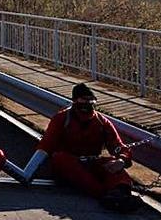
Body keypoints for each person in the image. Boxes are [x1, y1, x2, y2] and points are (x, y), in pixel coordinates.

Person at [36, 83, 142, 212]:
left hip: (91, 162)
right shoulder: (62, 119)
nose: (88, 103)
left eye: (91, 100)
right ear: (75, 101)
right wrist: (30, 170)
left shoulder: (102, 122)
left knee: (111, 163)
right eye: (84, 99)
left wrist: (121, 160)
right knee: (60, 158)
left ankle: (119, 193)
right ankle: (104, 194)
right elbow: (47, 144)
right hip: (69, 164)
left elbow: (118, 146)